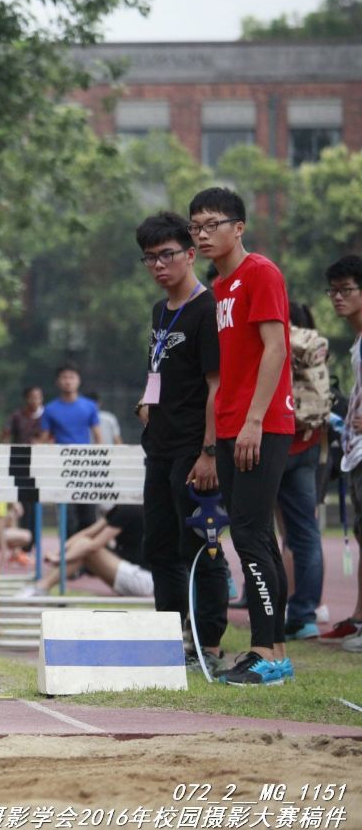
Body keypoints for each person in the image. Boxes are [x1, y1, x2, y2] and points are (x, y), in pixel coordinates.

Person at [195, 187, 294, 685]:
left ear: (238, 227)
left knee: (252, 537)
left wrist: (255, 419)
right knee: (258, 539)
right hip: (233, 425)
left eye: (212, 224)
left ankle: (263, 652)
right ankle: (275, 652)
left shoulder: (262, 273)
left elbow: (276, 349)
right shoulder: (217, 287)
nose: (203, 234)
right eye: (196, 227)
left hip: (263, 424)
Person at [133, 211, 229, 674]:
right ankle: (170, 638)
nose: (158, 265)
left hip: (194, 448)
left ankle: (209, 644)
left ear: (190, 254)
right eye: (149, 258)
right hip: (160, 444)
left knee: (201, 545)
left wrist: (209, 452)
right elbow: (157, 368)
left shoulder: (206, 309)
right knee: (159, 546)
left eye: (166, 255)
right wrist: (146, 401)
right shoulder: (160, 311)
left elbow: (217, 385)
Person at [277, 302, 326, 641]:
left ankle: (265, 606)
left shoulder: (272, 338)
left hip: (273, 444)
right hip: (307, 444)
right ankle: (305, 615)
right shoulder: (312, 345)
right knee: (305, 532)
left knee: (255, 530)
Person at [324, 255, 362, 652]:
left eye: (346, 290)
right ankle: (358, 617)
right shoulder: (357, 341)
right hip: (355, 453)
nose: (337, 297)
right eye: (333, 291)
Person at [16, 506, 150, 598]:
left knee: (85, 546)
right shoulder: (119, 508)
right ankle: (41, 588)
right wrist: (58, 552)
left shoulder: (130, 508)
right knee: (83, 543)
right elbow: (87, 533)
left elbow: (93, 546)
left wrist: (61, 558)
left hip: (142, 580)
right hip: (129, 573)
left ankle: (41, 588)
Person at [39, 363, 103, 531]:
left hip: (86, 465)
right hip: (62, 466)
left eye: (71, 377)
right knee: (67, 517)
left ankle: (88, 554)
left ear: (78, 381)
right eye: (64, 377)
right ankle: (67, 555)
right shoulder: (50, 409)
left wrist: (99, 461)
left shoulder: (90, 406)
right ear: (58, 382)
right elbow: (44, 439)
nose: (68, 381)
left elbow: (98, 437)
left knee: (88, 515)